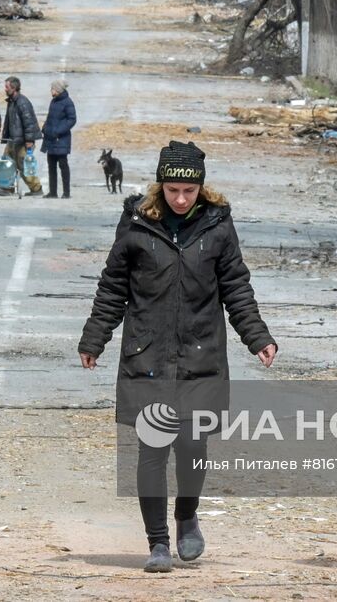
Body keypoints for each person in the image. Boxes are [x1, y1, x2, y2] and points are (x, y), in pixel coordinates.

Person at [79, 141, 277, 574]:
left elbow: (236, 287)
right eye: (173, 190)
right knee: (152, 447)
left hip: (201, 353)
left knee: (191, 445)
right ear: (160, 187)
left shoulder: (218, 225)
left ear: (201, 188)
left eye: (189, 191)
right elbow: (113, 287)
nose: (181, 199)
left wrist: (257, 337)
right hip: (147, 354)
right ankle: (158, 543)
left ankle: (186, 515)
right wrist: (95, 338)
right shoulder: (136, 225)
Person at [2, 77, 43, 196]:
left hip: (23, 141)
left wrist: (29, 140)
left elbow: (29, 122)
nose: (5, 89)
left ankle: (36, 189)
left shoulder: (22, 102)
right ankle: (7, 188)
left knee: (24, 164)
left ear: (14, 88)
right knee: (7, 162)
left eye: (7, 87)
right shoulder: (12, 101)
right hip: (13, 140)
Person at [40, 79, 76, 198]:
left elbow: (72, 119)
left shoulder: (67, 102)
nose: (51, 91)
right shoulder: (53, 101)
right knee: (51, 165)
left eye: (53, 88)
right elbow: (50, 118)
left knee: (63, 165)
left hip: (61, 139)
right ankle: (53, 192)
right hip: (50, 138)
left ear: (58, 90)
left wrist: (58, 131)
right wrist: (45, 128)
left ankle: (66, 193)